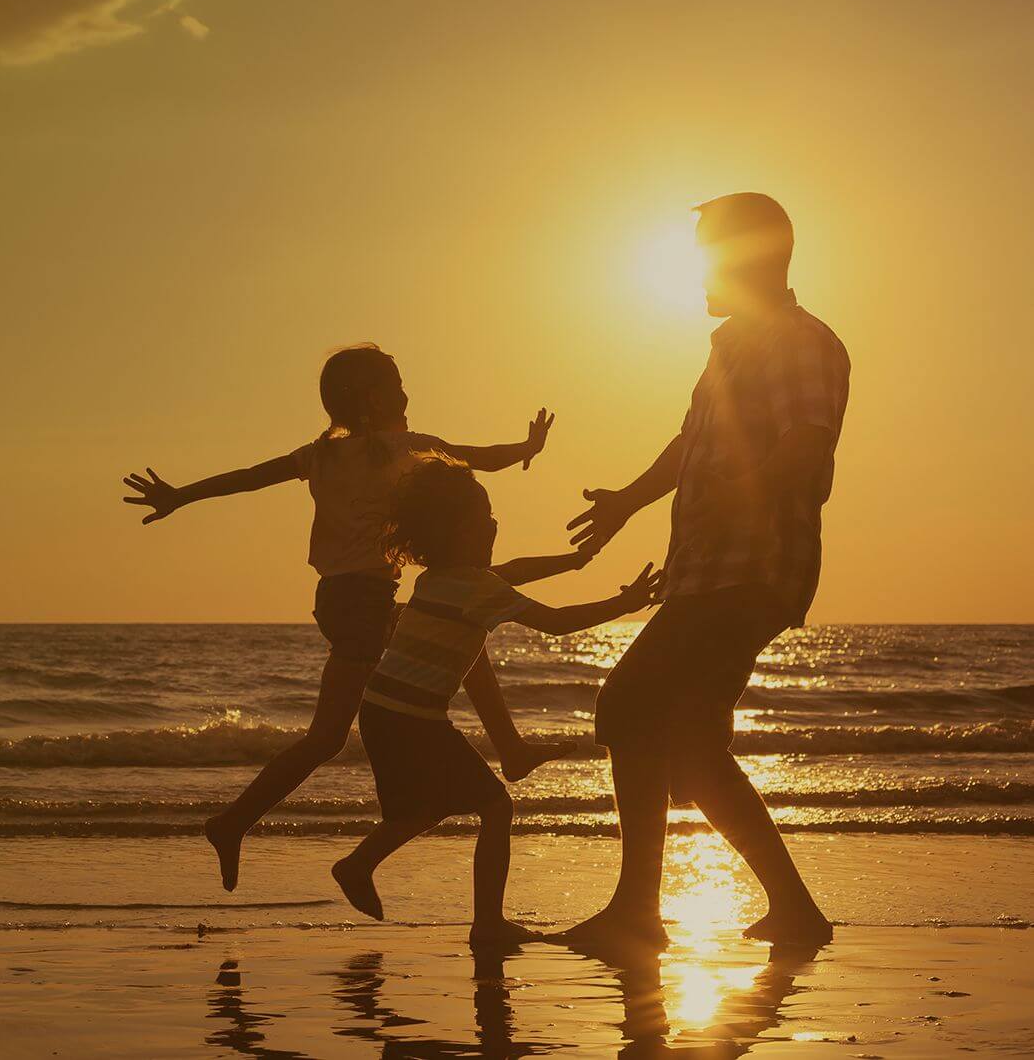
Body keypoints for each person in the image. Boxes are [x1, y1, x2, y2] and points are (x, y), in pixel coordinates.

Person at [121, 344, 568, 891]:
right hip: (363, 605)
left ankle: (511, 747)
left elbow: (248, 476)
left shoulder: (321, 455)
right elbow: (473, 456)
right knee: (332, 731)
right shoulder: (403, 447)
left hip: (337, 598)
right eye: (400, 386)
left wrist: (182, 496)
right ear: (376, 398)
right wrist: (527, 447)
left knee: (452, 634)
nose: (408, 395)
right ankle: (234, 821)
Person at [562, 192, 850, 951]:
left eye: (707, 259)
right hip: (711, 570)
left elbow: (808, 447)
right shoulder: (733, 349)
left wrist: (735, 495)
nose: (697, 277)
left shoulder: (798, 340)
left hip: (748, 570)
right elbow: (690, 441)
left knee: (626, 706)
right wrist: (628, 498)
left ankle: (637, 912)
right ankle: (794, 910)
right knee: (690, 745)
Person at [328, 455, 664, 941]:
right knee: (496, 808)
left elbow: (513, 571)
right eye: (485, 517)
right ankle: (487, 925)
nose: (495, 523)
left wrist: (572, 561)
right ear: (461, 532)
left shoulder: (439, 579)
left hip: (382, 714)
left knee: (422, 809)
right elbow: (557, 622)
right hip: (414, 721)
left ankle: (358, 864)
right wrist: (624, 604)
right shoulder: (479, 589)